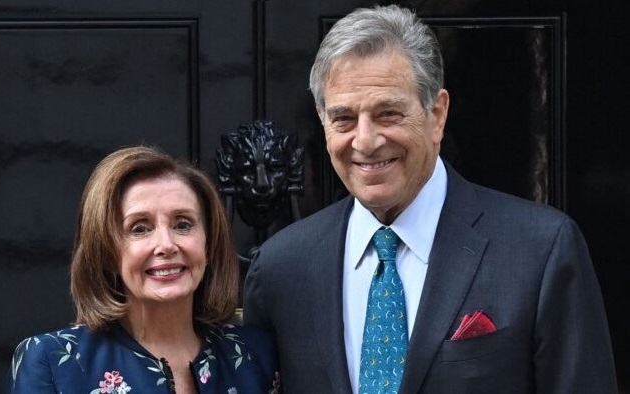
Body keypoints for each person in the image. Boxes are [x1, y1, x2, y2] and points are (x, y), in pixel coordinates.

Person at [243, 4, 617, 394]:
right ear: (324, 123)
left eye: (388, 114)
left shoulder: (540, 251)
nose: (365, 141)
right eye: (344, 119)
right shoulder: (280, 270)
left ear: (436, 114)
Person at [8, 146, 281, 393]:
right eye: (140, 228)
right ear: (105, 253)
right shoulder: (52, 362)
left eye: (183, 224)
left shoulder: (257, 357)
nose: (166, 245)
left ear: (208, 244)